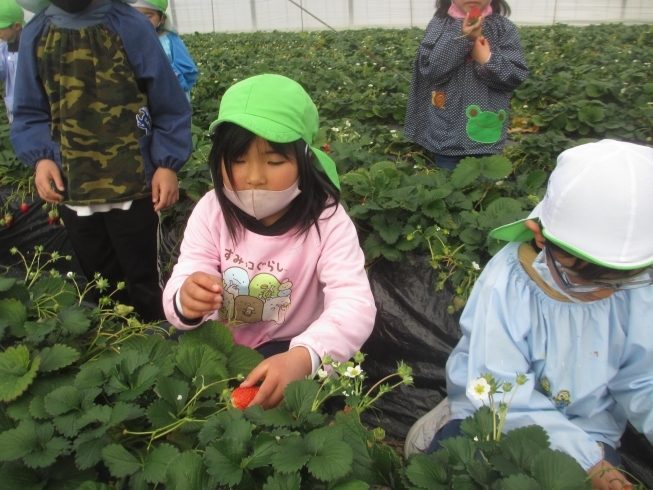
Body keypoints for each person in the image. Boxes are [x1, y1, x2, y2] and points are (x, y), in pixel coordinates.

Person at [405, 140, 653, 490]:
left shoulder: (639, 287)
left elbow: (644, 379)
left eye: (620, 281)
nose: (601, 292)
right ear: (540, 236)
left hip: (588, 433)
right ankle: (444, 422)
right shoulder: (509, 281)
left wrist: (590, 457)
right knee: (460, 472)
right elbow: (497, 385)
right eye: (581, 277)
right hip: (493, 414)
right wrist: (583, 460)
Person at [163, 74, 376, 409]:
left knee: (309, 403)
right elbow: (191, 267)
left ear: (304, 161)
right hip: (219, 336)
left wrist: (305, 356)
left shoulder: (327, 221)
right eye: (237, 160)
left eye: (274, 161)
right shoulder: (212, 211)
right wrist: (186, 299)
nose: (254, 177)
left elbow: (354, 302)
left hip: (288, 343)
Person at [11, 0, 193, 322]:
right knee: (100, 277)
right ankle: (114, 337)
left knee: (144, 276)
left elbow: (167, 102)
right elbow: (29, 111)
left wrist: (166, 163)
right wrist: (41, 158)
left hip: (135, 182)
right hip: (72, 184)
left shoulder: (129, 25)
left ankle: (159, 340)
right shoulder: (37, 33)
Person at [404, 0, 529, 170]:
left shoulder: (502, 28)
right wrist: (464, 39)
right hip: (446, 129)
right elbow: (430, 71)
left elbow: (515, 76)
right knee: (449, 185)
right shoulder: (439, 25)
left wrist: (487, 59)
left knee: (485, 183)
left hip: (486, 126)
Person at [131, 0, 198, 102]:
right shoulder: (128, 41)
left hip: (170, 102)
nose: (141, 21)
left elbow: (188, 71)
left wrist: (162, 76)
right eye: (135, 15)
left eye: (148, 16)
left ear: (162, 18)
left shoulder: (169, 39)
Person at [0, 0, 24, 122]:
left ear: (16, 26)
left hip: (33, 111)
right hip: (14, 111)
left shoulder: (32, 47)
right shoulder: (3, 48)